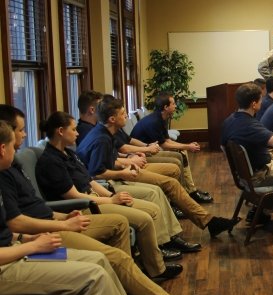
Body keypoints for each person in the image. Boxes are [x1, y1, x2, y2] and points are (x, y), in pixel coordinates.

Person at [0, 105, 177, 295]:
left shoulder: (53, 157)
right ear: (3, 148)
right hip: (50, 229)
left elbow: (18, 222)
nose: (25, 135)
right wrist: (59, 227)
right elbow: (17, 221)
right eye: (20, 130)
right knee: (102, 267)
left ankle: (130, 282)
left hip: (53, 222)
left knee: (118, 234)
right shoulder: (45, 163)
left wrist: (57, 221)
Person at [76, 97, 239, 238]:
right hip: (116, 179)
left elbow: (110, 158)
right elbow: (96, 172)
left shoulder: (104, 132)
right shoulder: (101, 138)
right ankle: (206, 221)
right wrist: (126, 170)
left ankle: (191, 209)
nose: (126, 115)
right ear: (112, 119)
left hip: (124, 170)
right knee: (170, 184)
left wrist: (129, 158)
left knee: (173, 172)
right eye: (122, 113)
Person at [0, 121, 128, 295]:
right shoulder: (12, 174)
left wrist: (26, 238)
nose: (16, 150)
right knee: (94, 275)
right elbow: (14, 223)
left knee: (99, 260)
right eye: (12, 145)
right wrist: (33, 245)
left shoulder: (13, 170)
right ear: (2, 149)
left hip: (19, 246)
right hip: (7, 265)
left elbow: (5, 232)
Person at [37, 111, 187, 264]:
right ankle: (157, 265)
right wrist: (110, 201)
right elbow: (74, 196)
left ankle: (160, 250)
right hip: (83, 207)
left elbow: (90, 181)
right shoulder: (51, 161)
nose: (77, 133)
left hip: (98, 197)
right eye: (73, 129)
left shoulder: (68, 153)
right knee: (145, 218)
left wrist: (110, 196)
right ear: (61, 131)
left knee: (152, 208)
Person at [129, 93, 214, 203]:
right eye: (173, 104)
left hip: (151, 150)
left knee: (182, 151)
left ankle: (190, 191)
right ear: (166, 107)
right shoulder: (153, 122)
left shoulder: (161, 118)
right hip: (140, 154)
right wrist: (187, 146)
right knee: (180, 154)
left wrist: (187, 146)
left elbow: (167, 140)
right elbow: (164, 145)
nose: (175, 106)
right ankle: (185, 193)